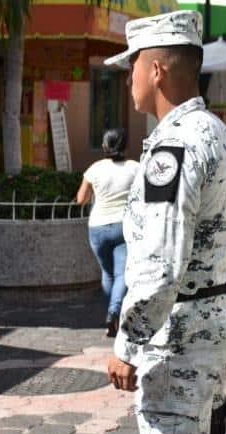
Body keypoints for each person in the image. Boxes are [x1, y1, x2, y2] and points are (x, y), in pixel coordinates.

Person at [103, 10, 226, 434]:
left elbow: (160, 266)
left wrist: (127, 344)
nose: (129, 77)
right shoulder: (217, 133)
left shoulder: (174, 145)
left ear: (157, 69)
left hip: (180, 338)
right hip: (217, 321)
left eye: (133, 65)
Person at [75, 128, 139, 337]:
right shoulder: (135, 168)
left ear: (104, 146)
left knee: (108, 273)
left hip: (97, 227)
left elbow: (81, 199)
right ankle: (114, 313)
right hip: (123, 226)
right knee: (122, 274)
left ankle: (111, 312)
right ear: (125, 145)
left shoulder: (94, 169)